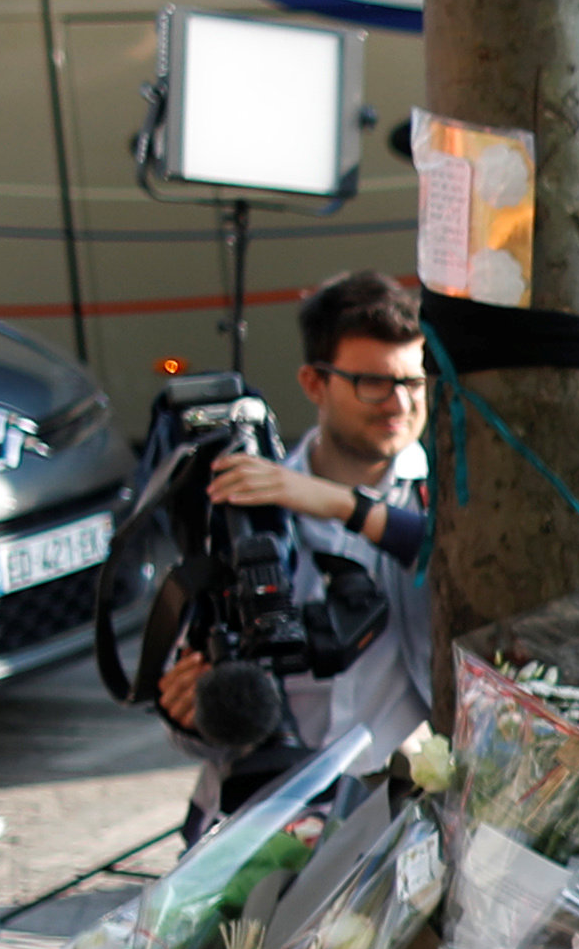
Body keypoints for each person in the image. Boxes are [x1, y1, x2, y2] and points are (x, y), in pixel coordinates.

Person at [159, 270, 432, 834]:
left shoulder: (447, 498)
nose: (399, 404)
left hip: (399, 815)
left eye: (415, 382)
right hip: (261, 817)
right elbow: (191, 718)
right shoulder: (245, 505)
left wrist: (337, 504)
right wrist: (192, 707)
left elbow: (447, 560)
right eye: (373, 384)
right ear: (313, 383)